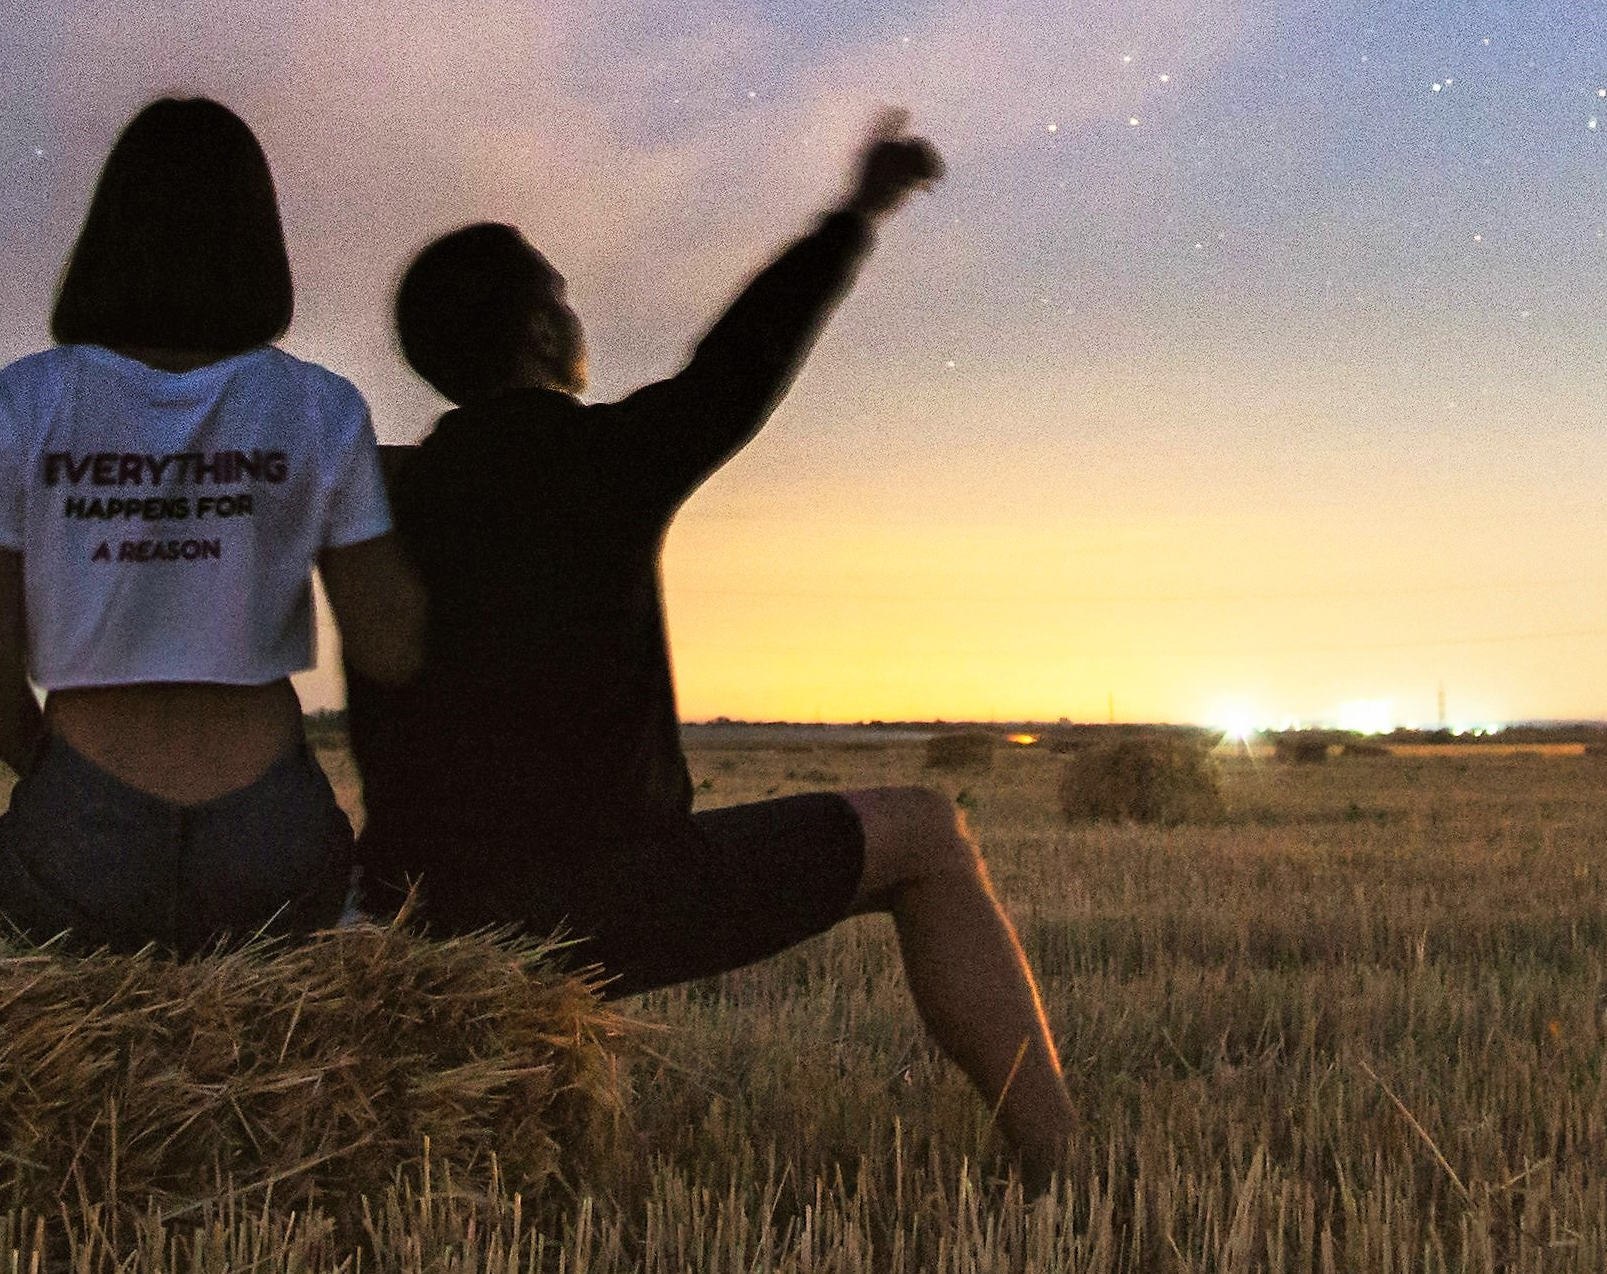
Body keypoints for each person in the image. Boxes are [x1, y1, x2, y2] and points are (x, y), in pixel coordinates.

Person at [353, 112, 1077, 1181]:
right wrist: (857, 215)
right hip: (600, 902)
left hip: (420, 905)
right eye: (561, 294)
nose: (573, 311)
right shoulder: (607, 460)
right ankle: (1070, 1166)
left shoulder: (377, 486)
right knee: (926, 834)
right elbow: (742, 359)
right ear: (543, 338)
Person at [0, 95, 425, 951]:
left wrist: (55, 774)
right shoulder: (319, 406)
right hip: (268, 820)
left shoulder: (26, 399)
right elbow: (392, 645)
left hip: (82, 816)